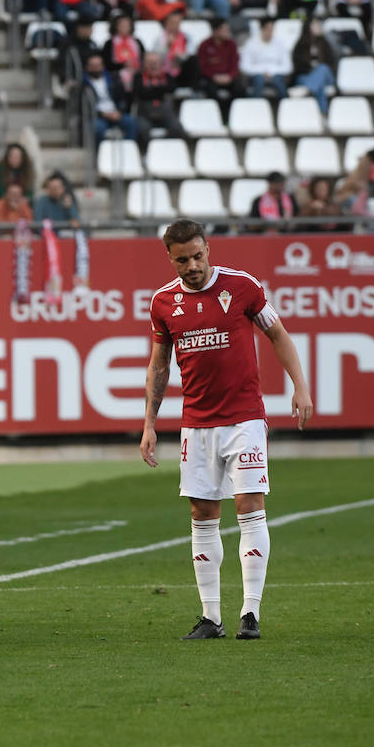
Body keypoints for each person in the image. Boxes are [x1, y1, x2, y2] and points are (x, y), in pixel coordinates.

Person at [140, 218, 312, 641]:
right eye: (182, 259)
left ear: (208, 249)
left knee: (249, 506)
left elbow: (278, 334)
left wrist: (300, 386)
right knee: (202, 514)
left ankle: (250, 613)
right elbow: (159, 364)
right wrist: (149, 425)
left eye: (198, 255)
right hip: (196, 425)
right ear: (170, 258)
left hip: (244, 420)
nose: (192, 265)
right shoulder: (163, 302)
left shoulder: (242, 286)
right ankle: (210, 617)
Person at [84, 52, 141, 144]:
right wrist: (103, 114)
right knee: (97, 128)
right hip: (98, 116)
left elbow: (122, 98)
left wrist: (119, 111)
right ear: (87, 67)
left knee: (131, 122)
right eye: (92, 65)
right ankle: (101, 154)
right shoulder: (84, 85)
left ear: (103, 66)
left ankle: (128, 150)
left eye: (98, 65)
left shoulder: (114, 80)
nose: (95, 68)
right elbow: (85, 106)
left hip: (116, 113)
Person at [196, 19, 243, 121]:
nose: (227, 32)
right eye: (224, 30)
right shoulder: (204, 45)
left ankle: (235, 118)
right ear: (215, 31)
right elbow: (202, 66)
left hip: (228, 77)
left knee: (240, 89)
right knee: (208, 89)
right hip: (211, 78)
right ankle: (214, 118)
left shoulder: (232, 45)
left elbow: (235, 65)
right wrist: (213, 76)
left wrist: (230, 76)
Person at [290, 17, 336, 114]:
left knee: (322, 69)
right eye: (316, 25)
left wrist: (317, 70)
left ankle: (308, 89)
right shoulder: (300, 45)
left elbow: (331, 62)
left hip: (326, 75)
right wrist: (311, 71)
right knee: (320, 85)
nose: (319, 27)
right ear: (308, 27)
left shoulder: (325, 43)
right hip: (307, 76)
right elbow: (297, 65)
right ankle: (323, 113)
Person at [240, 19, 293, 98]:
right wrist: (263, 71)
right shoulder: (250, 44)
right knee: (259, 80)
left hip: (276, 75)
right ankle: (254, 107)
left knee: (278, 81)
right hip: (256, 75)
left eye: (271, 29)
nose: (269, 32)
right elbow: (244, 66)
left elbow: (288, 67)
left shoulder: (280, 44)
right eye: (267, 29)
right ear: (261, 29)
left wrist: (271, 72)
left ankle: (286, 106)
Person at [102, 13, 143, 91]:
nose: (124, 27)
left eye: (127, 24)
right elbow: (106, 63)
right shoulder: (109, 43)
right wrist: (123, 65)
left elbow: (143, 59)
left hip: (137, 74)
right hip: (116, 77)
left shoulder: (137, 42)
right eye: (121, 25)